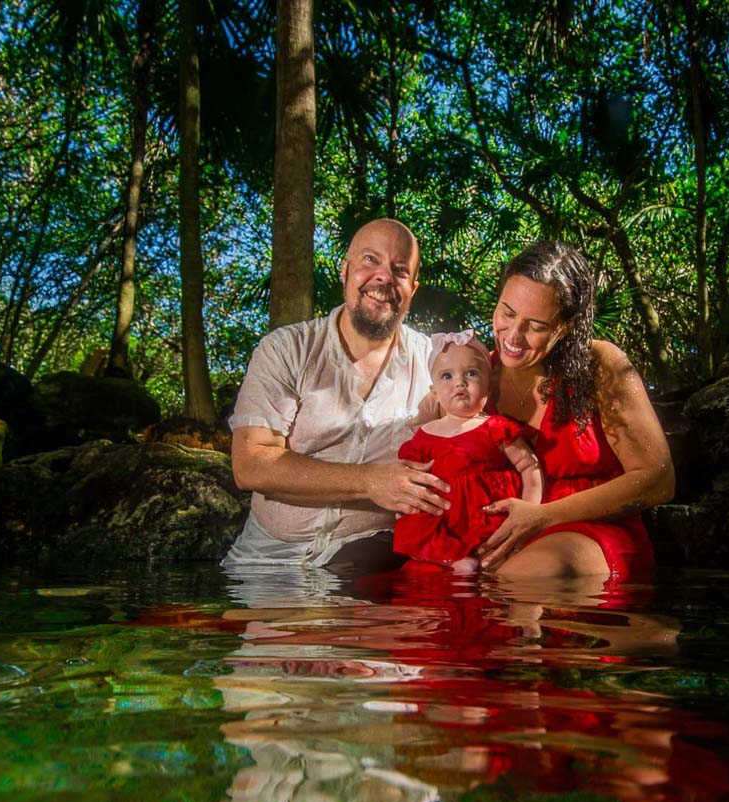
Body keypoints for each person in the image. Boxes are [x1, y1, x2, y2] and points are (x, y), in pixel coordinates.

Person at [223, 218, 451, 571]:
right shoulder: (286, 349)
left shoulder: (434, 363)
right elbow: (251, 464)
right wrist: (370, 481)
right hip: (266, 561)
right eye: (370, 260)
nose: (383, 277)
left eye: (400, 269)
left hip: (370, 571)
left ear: (413, 289)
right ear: (345, 271)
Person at [478, 241, 675, 579]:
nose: (513, 335)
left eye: (536, 325)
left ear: (565, 326)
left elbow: (658, 480)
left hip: (592, 532)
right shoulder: (475, 374)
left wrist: (544, 516)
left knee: (526, 574)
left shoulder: (601, 364)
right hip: (506, 538)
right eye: (507, 312)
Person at [392, 332, 542, 573]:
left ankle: (474, 562)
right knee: (415, 553)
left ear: (488, 386)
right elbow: (410, 481)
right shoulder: (424, 436)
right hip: (442, 520)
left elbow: (528, 466)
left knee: (497, 561)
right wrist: (403, 510)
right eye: (447, 376)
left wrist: (530, 511)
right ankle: (448, 559)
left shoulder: (495, 428)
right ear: (434, 392)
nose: (459, 382)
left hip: (486, 518)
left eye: (471, 373)